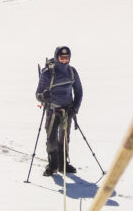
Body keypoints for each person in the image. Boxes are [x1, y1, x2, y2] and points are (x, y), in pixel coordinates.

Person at [35, 45, 83, 176]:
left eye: (66, 58)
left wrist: (75, 108)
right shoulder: (47, 73)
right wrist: (43, 96)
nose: (64, 61)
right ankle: (52, 165)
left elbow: (79, 91)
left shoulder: (72, 71)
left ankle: (63, 164)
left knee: (64, 137)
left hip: (68, 111)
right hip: (52, 110)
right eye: (62, 58)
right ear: (57, 57)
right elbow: (37, 94)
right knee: (51, 138)